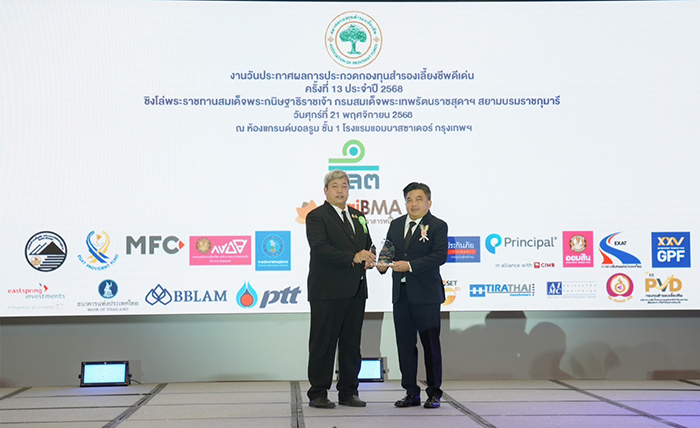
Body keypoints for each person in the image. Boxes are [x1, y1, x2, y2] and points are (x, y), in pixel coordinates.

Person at [305, 169, 375, 409]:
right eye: (335, 186)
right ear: (326, 190)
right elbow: (320, 248)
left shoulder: (358, 216)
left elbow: (368, 245)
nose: (340, 190)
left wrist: (372, 256)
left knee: (351, 345)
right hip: (327, 291)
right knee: (323, 344)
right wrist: (354, 257)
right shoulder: (317, 216)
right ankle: (318, 393)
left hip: (356, 290)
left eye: (344, 186)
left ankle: (348, 392)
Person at [377, 182, 448, 408]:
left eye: (418, 199)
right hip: (401, 295)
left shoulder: (437, 225)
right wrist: (382, 263)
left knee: (430, 346)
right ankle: (411, 392)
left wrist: (409, 265)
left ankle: (434, 393)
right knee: (405, 346)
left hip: (426, 296)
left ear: (429, 202)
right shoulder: (396, 224)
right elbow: (388, 249)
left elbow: (440, 256)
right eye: (409, 199)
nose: (413, 204)